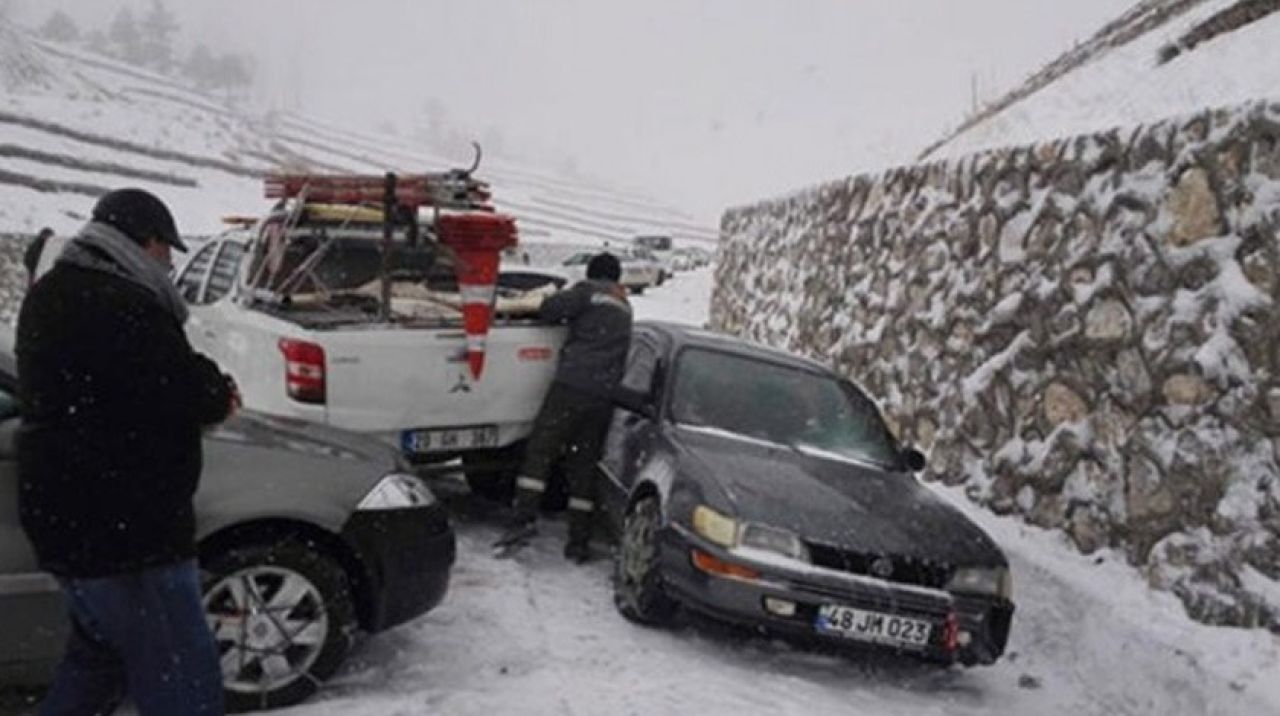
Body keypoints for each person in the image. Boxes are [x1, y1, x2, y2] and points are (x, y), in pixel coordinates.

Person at [16, 188, 238, 716]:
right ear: (147, 241)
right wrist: (216, 387)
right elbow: (187, 389)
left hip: (71, 524)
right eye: (167, 249)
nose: (167, 262)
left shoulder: (52, 295)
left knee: (100, 659)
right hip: (129, 535)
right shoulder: (122, 304)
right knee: (183, 681)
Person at [494, 252, 632, 563]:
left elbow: (548, 310)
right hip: (602, 396)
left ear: (593, 272)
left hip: (572, 387)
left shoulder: (587, 292)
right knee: (584, 464)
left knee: (541, 450)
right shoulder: (624, 304)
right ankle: (578, 541)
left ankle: (522, 520)